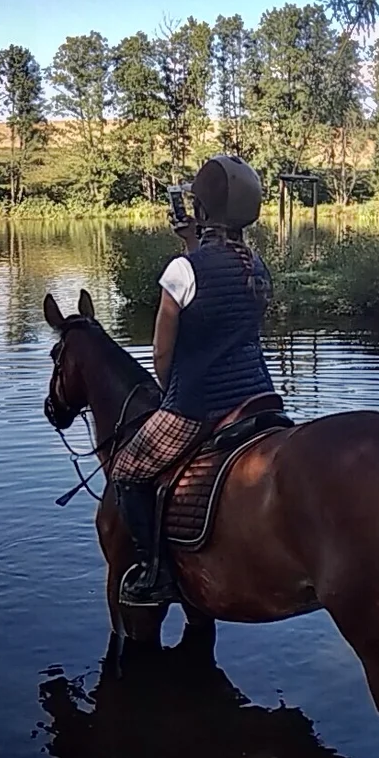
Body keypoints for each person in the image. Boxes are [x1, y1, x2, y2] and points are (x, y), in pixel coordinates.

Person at [113, 155, 276, 608]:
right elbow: (217, 298)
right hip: (258, 396)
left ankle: (155, 571)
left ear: (201, 209)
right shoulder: (257, 267)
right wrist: (194, 246)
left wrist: (170, 393)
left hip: (200, 404)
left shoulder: (182, 271)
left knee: (127, 471)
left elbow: (163, 353)